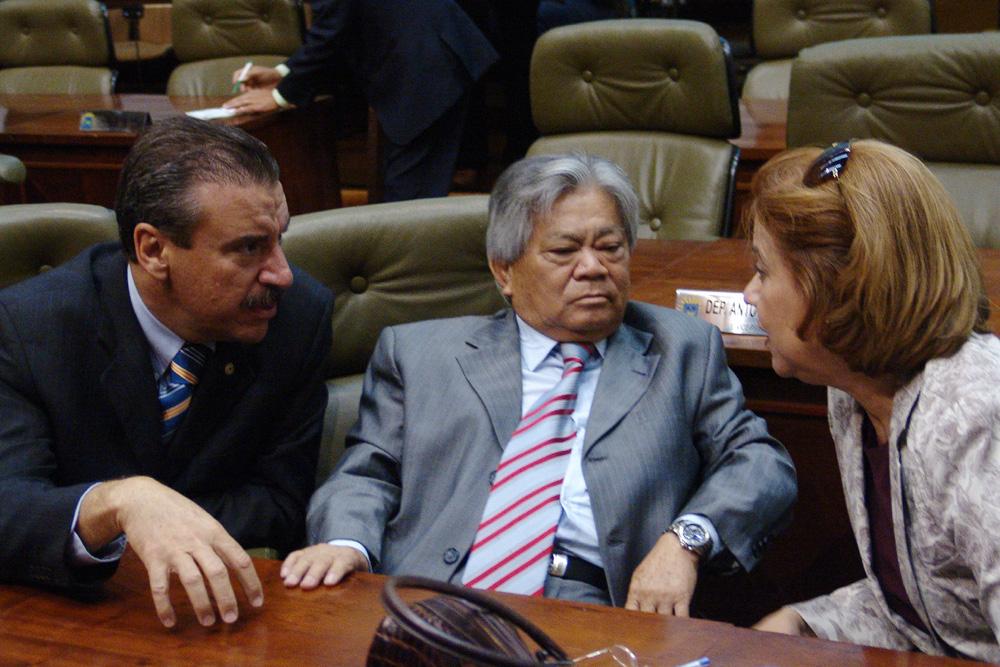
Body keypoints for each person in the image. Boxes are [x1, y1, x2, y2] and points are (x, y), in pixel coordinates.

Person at [281, 152, 796, 613]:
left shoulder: (681, 348)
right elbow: (366, 475)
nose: (593, 268)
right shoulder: (419, 354)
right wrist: (346, 543)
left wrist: (686, 539)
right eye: (564, 251)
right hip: (430, 596)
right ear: (504, 271)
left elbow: (759, 462)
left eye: (610, 247)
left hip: (597, 607)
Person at [0, 116, 334, 629]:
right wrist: (119, 503)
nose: (282, 273)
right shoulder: (31, 327)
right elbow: (8, 506)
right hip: (71, 615)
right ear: (154, 250)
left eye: (279, 239)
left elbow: (282, 503)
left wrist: (164, 520)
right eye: (249, 247)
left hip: (226, 614)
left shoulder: (298, 317)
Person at [744, 140, 999, 661]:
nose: (749, 294)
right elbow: (935, 610)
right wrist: (807, 624)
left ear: (834, 288)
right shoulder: (854, 398)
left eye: (764, 271)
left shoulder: (978, 416)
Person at [224, 0, 498, 203]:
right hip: (427, 55)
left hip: (426, 63)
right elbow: (342, 23)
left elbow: (332, 30)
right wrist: (282, 73)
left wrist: (280, 96)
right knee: (407, 193)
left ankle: (411, 264)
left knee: (409, 199)